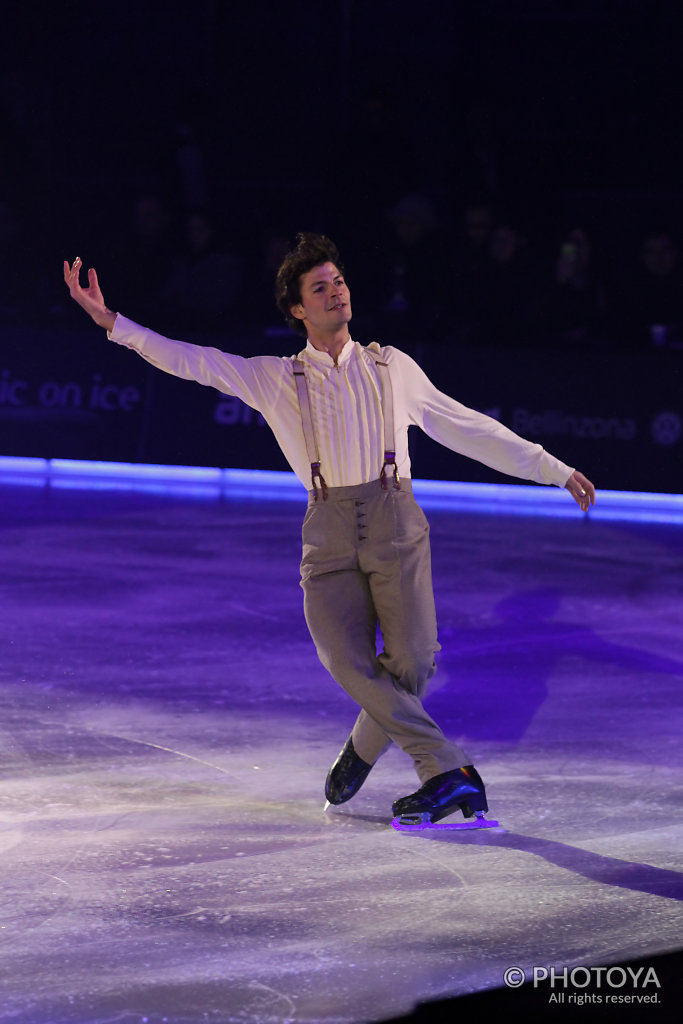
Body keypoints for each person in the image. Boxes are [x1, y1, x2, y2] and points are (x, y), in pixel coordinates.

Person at [63, 233, 595, 827]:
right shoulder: (275, 378)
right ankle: (448, 772)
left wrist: (552, 468)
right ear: (298, 309)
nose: (336, 292)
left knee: (414, 664)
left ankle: (366, 746)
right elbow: (194, 361)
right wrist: (112, 322)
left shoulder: (393, 369)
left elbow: (468, 427)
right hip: (328, 533)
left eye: (338, 281)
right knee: (344, 659)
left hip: (396, 522)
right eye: (320, 288)